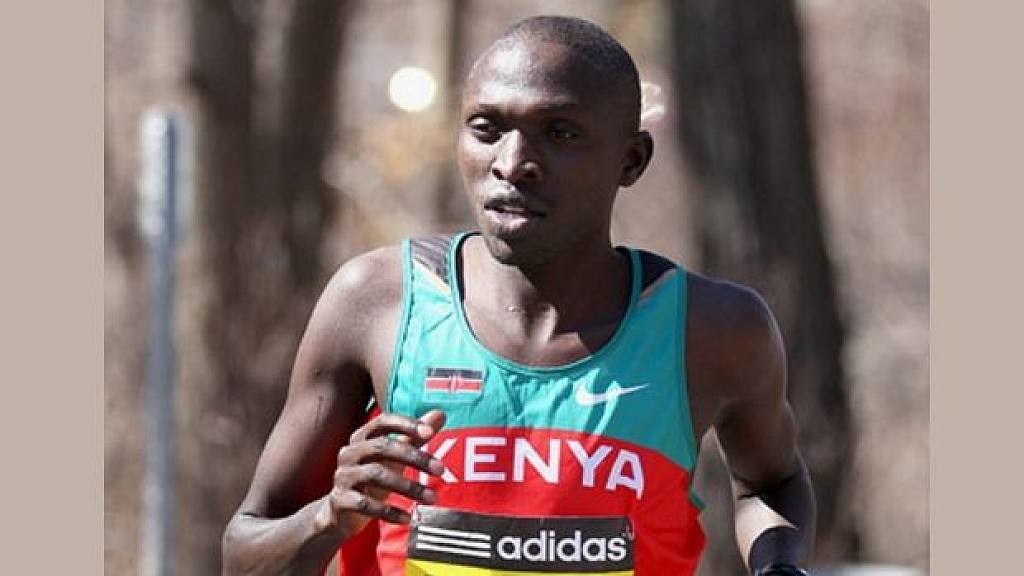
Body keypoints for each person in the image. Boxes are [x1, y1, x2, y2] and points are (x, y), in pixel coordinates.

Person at [222, 15, 815, 576]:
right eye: (486, 128)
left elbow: (772, 482)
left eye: (560, 133)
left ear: (631, 159)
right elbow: (243, 552)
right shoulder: (376, 303)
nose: (513, 163)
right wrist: (330, 517)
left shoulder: (711, 329)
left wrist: (782, 567)